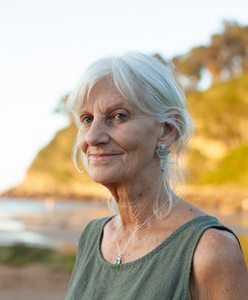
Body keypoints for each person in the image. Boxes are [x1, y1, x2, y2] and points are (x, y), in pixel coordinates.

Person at [64, 52, 248, 299]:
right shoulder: (92, 237)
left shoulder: (209, 249)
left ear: (166, 130)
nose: (92, 137)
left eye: (118, 116)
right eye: (87, 119)